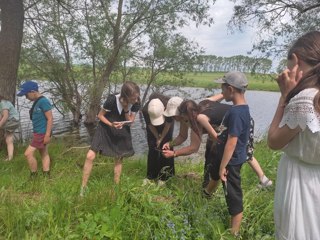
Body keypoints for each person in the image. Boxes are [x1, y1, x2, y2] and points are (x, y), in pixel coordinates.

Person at [267, 31, 320, 239]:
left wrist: (285, 96)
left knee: (297, 231)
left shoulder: (305, 100)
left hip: (300, 182)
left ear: (296, 61)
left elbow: (273, 141)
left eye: (289, 68)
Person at [204, 71, 251, 236]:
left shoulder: (237, 113)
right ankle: (206, 196)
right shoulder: (238, 109)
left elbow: (233, 141)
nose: (221, 92)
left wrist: (224, 166)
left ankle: (234, 233)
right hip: (224, 155)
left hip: (230, 161)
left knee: (233, 195)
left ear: (230, 89)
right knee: (214, 175)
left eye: (222, 88)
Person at [81, 81, 140, 195]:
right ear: (125, 95)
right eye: (133, 98)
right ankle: (83, 189)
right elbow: (100, 115)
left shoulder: (136, 103)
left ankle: (116, 187)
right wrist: (111, 124)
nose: (136, 100)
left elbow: (130, 122)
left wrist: (126, 108)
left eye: (137, 97)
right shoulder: (112, 100)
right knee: (90, 156)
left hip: (122, 129)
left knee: (119, 157)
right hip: (105, 128)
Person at [200, 94, 272, 189]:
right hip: (237, 120)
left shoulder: (201, 116)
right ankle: (264, 179)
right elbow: (223, 94)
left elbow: (216, 138)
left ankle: (264, 179)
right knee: (245, 151)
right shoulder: (205, 102)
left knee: (245, 151)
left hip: (240, 120)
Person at [17, 81, 53, 177]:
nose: (26, 97)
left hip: (42, 133)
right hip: (38, 132)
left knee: (27, 154)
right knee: (44, 152)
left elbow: (50, 119)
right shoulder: (37, 102)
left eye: (26, 95)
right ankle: (46, 174)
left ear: (33, 91)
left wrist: (47, 135)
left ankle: (34, 175)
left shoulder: (44, 101)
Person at [142, 93, 175, 186]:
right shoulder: (145, 110)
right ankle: (151, 176)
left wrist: (162, 138)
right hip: (152, 128)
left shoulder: (169, 106)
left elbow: (168, 124)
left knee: (166, 147)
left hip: (166, 126)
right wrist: (157, 137)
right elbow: (149, 125)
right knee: (153, 147)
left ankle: (166, 176)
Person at [0, 95, 20, 161]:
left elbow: (5, 116)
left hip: (12, 121)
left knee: (8, 138)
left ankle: (10, 157)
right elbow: (1, 116)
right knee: (8, 139)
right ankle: (10, 157)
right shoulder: (2, 104)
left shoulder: (3, 103)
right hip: (12, 121)